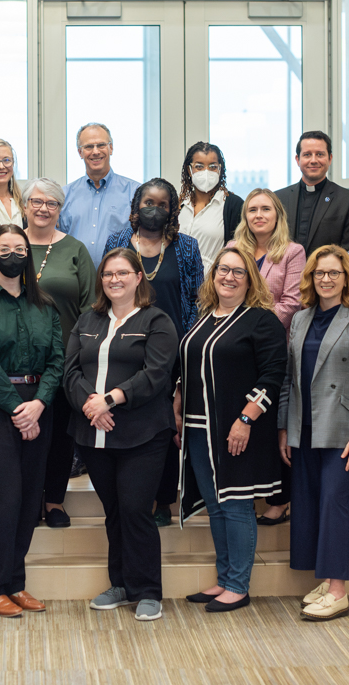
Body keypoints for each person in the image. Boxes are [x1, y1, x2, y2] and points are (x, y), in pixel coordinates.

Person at [65, 248, 178, 622]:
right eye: (108, 274)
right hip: (93, 434)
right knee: (113, 511)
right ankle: (121, 583)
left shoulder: (156, 320)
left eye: (122, 273)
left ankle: (147, 590)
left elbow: (157, 373)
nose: (115, 279)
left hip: (141, 435)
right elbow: (70, 373)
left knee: (134, 510)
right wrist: (91, 406)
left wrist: (110, 401)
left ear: (138, 277)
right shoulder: (88, 320)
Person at [0, 224, 64, 618]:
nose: (13, 254)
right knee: (4, 500)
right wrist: (20, 410)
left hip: (39, 404)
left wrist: (38, 404)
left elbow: (58, 360)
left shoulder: (46, 305)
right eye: (5, 248)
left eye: (20, 248)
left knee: (28, 501)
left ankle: (16, 583)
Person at [176, 247, 287, 613]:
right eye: (224, 270)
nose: (229, 277)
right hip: (198, 429)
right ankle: (224, 579)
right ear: (213, 275)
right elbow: (188, 369)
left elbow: (273, 376)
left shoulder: (261, 320)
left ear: (251, 279)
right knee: (216, 506)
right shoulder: (204, 318)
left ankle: (239, 585)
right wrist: (177, 407)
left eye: (239, 272)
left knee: (236, 506)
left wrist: (246, 419)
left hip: (236, 429)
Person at [278, 245, 349, 620]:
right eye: (319, 273)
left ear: (346, 278)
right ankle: (325, 579)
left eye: (334, 273)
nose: (326, 279)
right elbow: (290, 381)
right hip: (303, 429)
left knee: (335, 508)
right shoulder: (301, 320)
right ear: (310, 277)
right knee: (308, 506)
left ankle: (338, 592)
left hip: (342, 430)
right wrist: (284, 428)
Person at [103, 177, 203, 527]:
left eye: (162, 204)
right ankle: (129, 495)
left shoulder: (186, 247)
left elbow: (195, 300)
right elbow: (108, 289)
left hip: (172, 351)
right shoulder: (117, 242)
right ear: (136, 205)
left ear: (172, 210)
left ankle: (163, 499)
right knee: (131, 417)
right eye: (148, 202)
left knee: (165, 426)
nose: (154, 209)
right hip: (126, 347)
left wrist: (185, 342)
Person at [227, 188, 306, 526]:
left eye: (266, 209)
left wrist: (251, 324)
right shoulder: (233, 250)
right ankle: (250, 487)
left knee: (276, 422)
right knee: (244, 416)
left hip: (275, 346)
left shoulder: (292, 251)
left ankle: (280, 498)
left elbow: (292, 301)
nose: (259, 215)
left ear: (277, 215)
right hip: (238, 351)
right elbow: (224, 289)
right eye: (252, 209)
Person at [24, 177, 95, 528]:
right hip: (17, 361)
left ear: (60, 209)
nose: (43, 208)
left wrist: (81, 352)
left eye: (51, 203)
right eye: (36, 201)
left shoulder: (75, 250)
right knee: (26, 431)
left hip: (66, 357)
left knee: (61, 434)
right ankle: (26, 499)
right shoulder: (9, 243)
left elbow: (90, 306)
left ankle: (54, 501)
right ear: (24, 206)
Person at [59, 123, 139, 267]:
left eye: (101, 145)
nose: (95, 152)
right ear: (80, 152)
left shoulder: (134, 192)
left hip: (119, 279)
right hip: (76, 279)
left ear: (111, 148)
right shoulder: (64, 195)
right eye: (88, 147)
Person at [274, 131, 349, 253]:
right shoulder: (278, 199)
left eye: (320, 154)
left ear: (330, 159)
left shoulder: (347, 200)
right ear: (298, 159)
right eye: (307, 155)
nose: (313, 160)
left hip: (327, 271)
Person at [177, 142, 245, 274]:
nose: (206, 171)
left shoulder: (233, 205)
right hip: (178, 284)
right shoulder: (179, 206)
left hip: (214, 284)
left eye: (213, 167)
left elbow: (241, 251)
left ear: (220, 169)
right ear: (189, 170)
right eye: (199, 166)